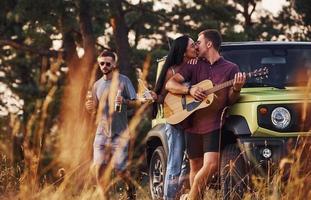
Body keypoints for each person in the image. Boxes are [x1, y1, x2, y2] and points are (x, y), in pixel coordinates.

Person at [166, 29, 246, 200]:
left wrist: (237, 89)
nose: (196, 45)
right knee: (195, 168)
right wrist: (190, 89)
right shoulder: (193, 65)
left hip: (214, 123)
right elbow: (170, 85)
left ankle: (190, 197)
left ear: (209, 44)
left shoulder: (231, 68)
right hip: (192, 123)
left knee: (211, 165)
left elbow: (230, 100)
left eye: (199, 42)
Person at [85, 50, 137, 199]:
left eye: (108, 63)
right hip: (101, 133)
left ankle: (131, 190)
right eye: (102, 63)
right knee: (98, 169)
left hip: (120, 133)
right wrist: (89, 107)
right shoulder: (97, 85)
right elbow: (94, 109)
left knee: (120, 170)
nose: (105, 66)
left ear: (114, 64)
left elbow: (137, 103)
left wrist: (125, 102)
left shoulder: (124, 80)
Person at [153, 35, 197, 200]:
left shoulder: (196, 66)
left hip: (193, 122)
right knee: (175, 162)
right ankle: (169, 197)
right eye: (192, 46)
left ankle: (182, 195)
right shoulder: (171, 71)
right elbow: (162, 97)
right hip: (176, 122)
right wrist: (153, 96)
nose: (196, 48)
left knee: (189, 162)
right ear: (183, 50)